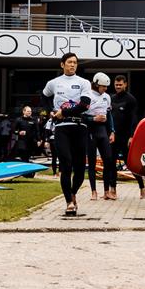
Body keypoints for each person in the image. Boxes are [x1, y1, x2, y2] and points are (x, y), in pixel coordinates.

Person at [42, 52, 92, 216]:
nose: (72, 65)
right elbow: (44, 96)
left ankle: (73, 193)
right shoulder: (54, 83)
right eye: (69, 62)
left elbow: (85, 105)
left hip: (80, 126)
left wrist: (64, 111)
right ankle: (69, 202)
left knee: (79, 168)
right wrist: (51, 111)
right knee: (66, 164)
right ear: (62, 64)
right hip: (62, 128)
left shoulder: (83, 82)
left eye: (75, 62)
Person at [111, 75, 145, 198]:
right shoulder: (111, 98)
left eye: (120, 85)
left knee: (130, 163)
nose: (118, 87)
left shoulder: (131, 99)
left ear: (125, 84)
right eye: (116, 85)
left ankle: (142, 187)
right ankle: (113, 190)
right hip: (113, 136)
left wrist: (132, 136)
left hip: (126, 137)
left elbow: (134, 119)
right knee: (111, 163)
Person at [85, 73, 117, 200]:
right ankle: (93, 191)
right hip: (91, 131)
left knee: (108, 160)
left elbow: (109, 116)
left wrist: (112, 131)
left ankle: (106, 191)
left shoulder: (107, 97)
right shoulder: (87, 95)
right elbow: (82, 116)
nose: (105, 89)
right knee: (92, 162)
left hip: (102, 131)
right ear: (96, 84)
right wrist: (94, 118)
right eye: (103, 86)